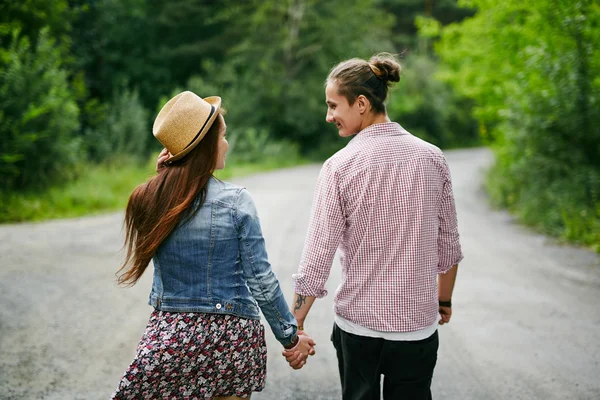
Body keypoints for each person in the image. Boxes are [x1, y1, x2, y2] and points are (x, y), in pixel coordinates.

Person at [112, 90, 315, 400]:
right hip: (230, 341)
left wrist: (163, 177)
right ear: (207, 146)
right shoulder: (236, 202)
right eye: (223, 136)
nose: (227, 143)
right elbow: (261, 282)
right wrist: (290, 337)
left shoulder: (147, 199)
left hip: (173, 339)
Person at [282, 53, 463, 399]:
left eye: (334, 105)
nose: (328, 115)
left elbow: (317, 258)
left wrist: (297, 324)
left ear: (361, 103)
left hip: (359, 329)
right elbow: (448, 245)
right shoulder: (432, 158)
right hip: (416, 330)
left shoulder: (339, 166)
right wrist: (444, 301)